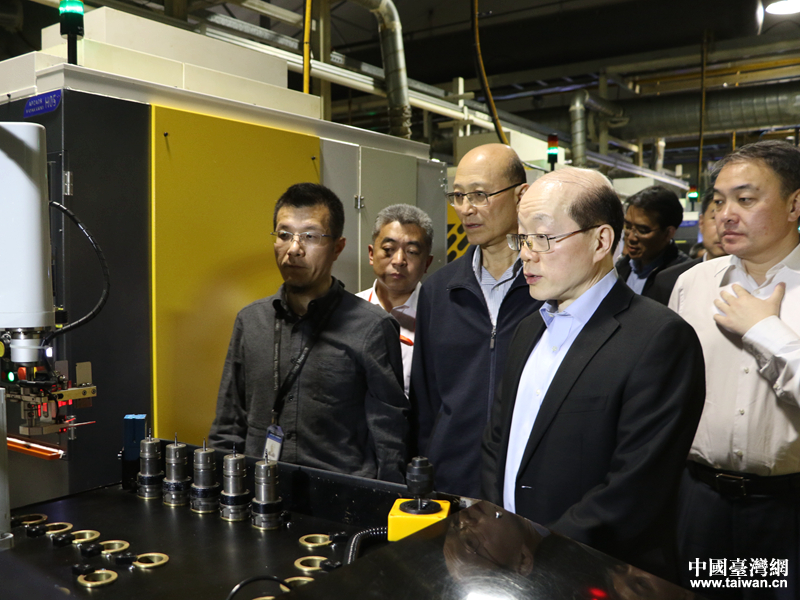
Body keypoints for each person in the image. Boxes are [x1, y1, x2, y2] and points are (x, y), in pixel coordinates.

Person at [482, 167, 705, 581]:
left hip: (598, 571)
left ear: (601, 241)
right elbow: (497, 440)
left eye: (542, 237)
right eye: (522, 238)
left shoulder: (658, 339)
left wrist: (545, 547)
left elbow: (637, 486)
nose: (526, 254)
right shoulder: (529, 328)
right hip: (512, 561)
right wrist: (500, 527)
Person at [209, 183, 409, 483]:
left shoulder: (372, 327)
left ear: (337, 247)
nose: (294, 248)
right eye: (284, 234)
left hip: (339, 499)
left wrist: (384, 502)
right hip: (258, 493)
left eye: (310, 236)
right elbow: (229, 424)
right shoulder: (251, 322)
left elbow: (389, 438)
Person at [670, 140, 800, 599]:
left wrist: (765, 331)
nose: (726, 214)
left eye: (745, 200)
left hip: (786, 508)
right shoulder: (693, 285)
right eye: (720, 201)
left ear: (794, 205)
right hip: (701, 501)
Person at [412, 143, 539, 499]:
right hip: (450, 485)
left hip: (525, 486)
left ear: (520, 195)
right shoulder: (439, 289)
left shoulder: (547, 288)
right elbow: (425, 402)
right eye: (458, 196)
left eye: (480, 195)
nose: (466, 209)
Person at [356, 204, 434, 396]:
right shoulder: (348, 312)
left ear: (427, 263)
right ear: (371, 254)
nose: (399, 260)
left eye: (412, 251)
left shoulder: (439, 318)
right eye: (389, 249)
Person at [649, 189, 728, 305]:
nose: (723, 229)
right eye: (715, 218)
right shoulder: (669, 281)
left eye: (730, 221)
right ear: (701, 223)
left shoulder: (755, 279)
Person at [616, 185, 690, 297]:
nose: (631, 237)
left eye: (642, 230)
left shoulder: (684, 276)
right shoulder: (620, 268)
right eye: (628, 227)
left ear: (668, 233)